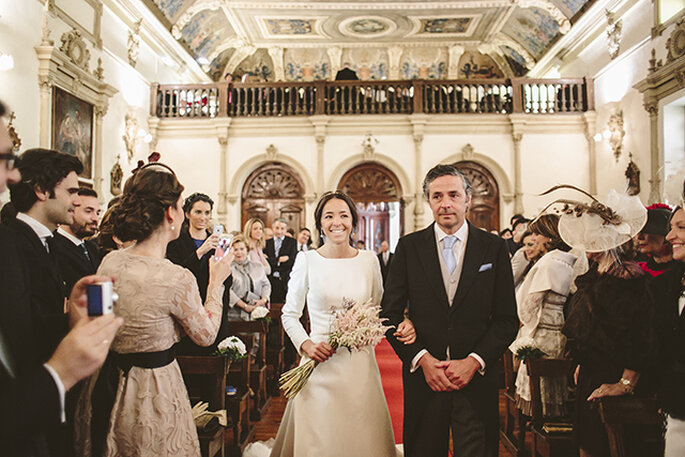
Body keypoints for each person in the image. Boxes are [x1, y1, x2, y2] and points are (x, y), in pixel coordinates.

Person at [74, 163, 233, 457]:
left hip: (106, 383)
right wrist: (216, 284)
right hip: (152, 386)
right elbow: (206, 336)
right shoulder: (176, 277)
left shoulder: (111, 262)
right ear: (171, 214)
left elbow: (99, 320)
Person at [248, 191, 414, 457]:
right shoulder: (307, 260)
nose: (337, 222)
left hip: (359, 363)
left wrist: (404, 322)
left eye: (343, 215)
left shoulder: (368, 260)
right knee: (319, 438)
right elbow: (289, 313)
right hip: (318, 363)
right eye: (329, 216)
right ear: (320, 223)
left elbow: (382, 309)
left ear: (353, 221)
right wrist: (307, 345)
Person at [380, 163, 518, 457]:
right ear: (428, 201)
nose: (445, 203)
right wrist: (422, 359)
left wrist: (473, 362)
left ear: (468, 199)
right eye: (437, 196)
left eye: (453, 195)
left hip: (476, 382)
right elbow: (388, 315)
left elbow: (507, 320)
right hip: (424, 381)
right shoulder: (408, 247)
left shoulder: (493, 248)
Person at [0, 143, 121, 457]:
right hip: (26, 396)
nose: (76, 200)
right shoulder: (11, 244)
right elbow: (18, 333)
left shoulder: (46, 241)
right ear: (41, 190)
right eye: (70, 191)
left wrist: (71, 317)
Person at [561, 189, 652, 457]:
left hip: (613, 375)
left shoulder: (629, 279)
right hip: (591, 372)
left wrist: (625, 383)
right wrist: (581, 361)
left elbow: (640, 336)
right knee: (587, 443)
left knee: (607, 446)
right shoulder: (595, 274)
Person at [509, 214, 577, 417]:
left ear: (549, 236)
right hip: (556, 329)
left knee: (541, 391)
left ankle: (540, 426)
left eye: (538, 233)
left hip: (543, 333)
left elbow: (530, 305)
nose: (534, 237)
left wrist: (524, 326)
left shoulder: (549, 264)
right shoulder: (565, 261)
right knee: (552, 389)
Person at [166, 192, 233, 354]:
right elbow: (177, 275)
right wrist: (200, 252)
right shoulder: (175, 243)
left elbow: (227, 280)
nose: (203, 217)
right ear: (187, 214)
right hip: (188, 308)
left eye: (207, 212)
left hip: (214, 307)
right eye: (198, 212)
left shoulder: (219, 243)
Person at [647, 199, 685, 457]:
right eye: (671, 227)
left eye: (681, 227)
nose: (670, 236)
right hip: (678, 405)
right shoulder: (670, 282)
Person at [53, 187, 102, 295]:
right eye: (88, 211)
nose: (95, 219)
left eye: (97, 213)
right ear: (70, 211)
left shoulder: (93, 248)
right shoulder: (53, 246)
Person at [637, 203, 677, 276]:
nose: (639, 237)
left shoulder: (681, 271)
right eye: (638, 232)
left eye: (646, 231)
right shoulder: (637, 272)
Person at [264, 218, 297, 303]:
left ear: (286, 229)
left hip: (285, 279)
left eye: (282, 228)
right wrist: (279, 260)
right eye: (277, 228)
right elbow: (265, 262)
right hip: (270, 280)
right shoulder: (266, 243)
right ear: (273, 228)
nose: (279, 231)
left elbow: (292, 262)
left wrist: (272, 261)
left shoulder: (292, 242)